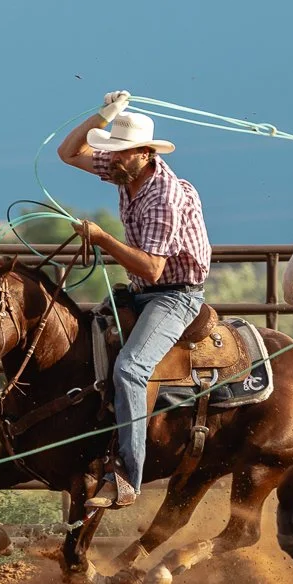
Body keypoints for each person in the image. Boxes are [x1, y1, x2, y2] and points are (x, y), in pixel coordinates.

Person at [56, 90, 213, 509]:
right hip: (147, 293)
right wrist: (106, 114)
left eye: (122, 153)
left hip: (174, 297)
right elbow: (68, 152)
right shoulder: (128, 171)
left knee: (129, 368)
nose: (112, 159)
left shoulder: (164, 196)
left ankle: (128, 474)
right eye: (114, 152)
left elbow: (152, 269)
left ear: (145, 154)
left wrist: (103, 238)